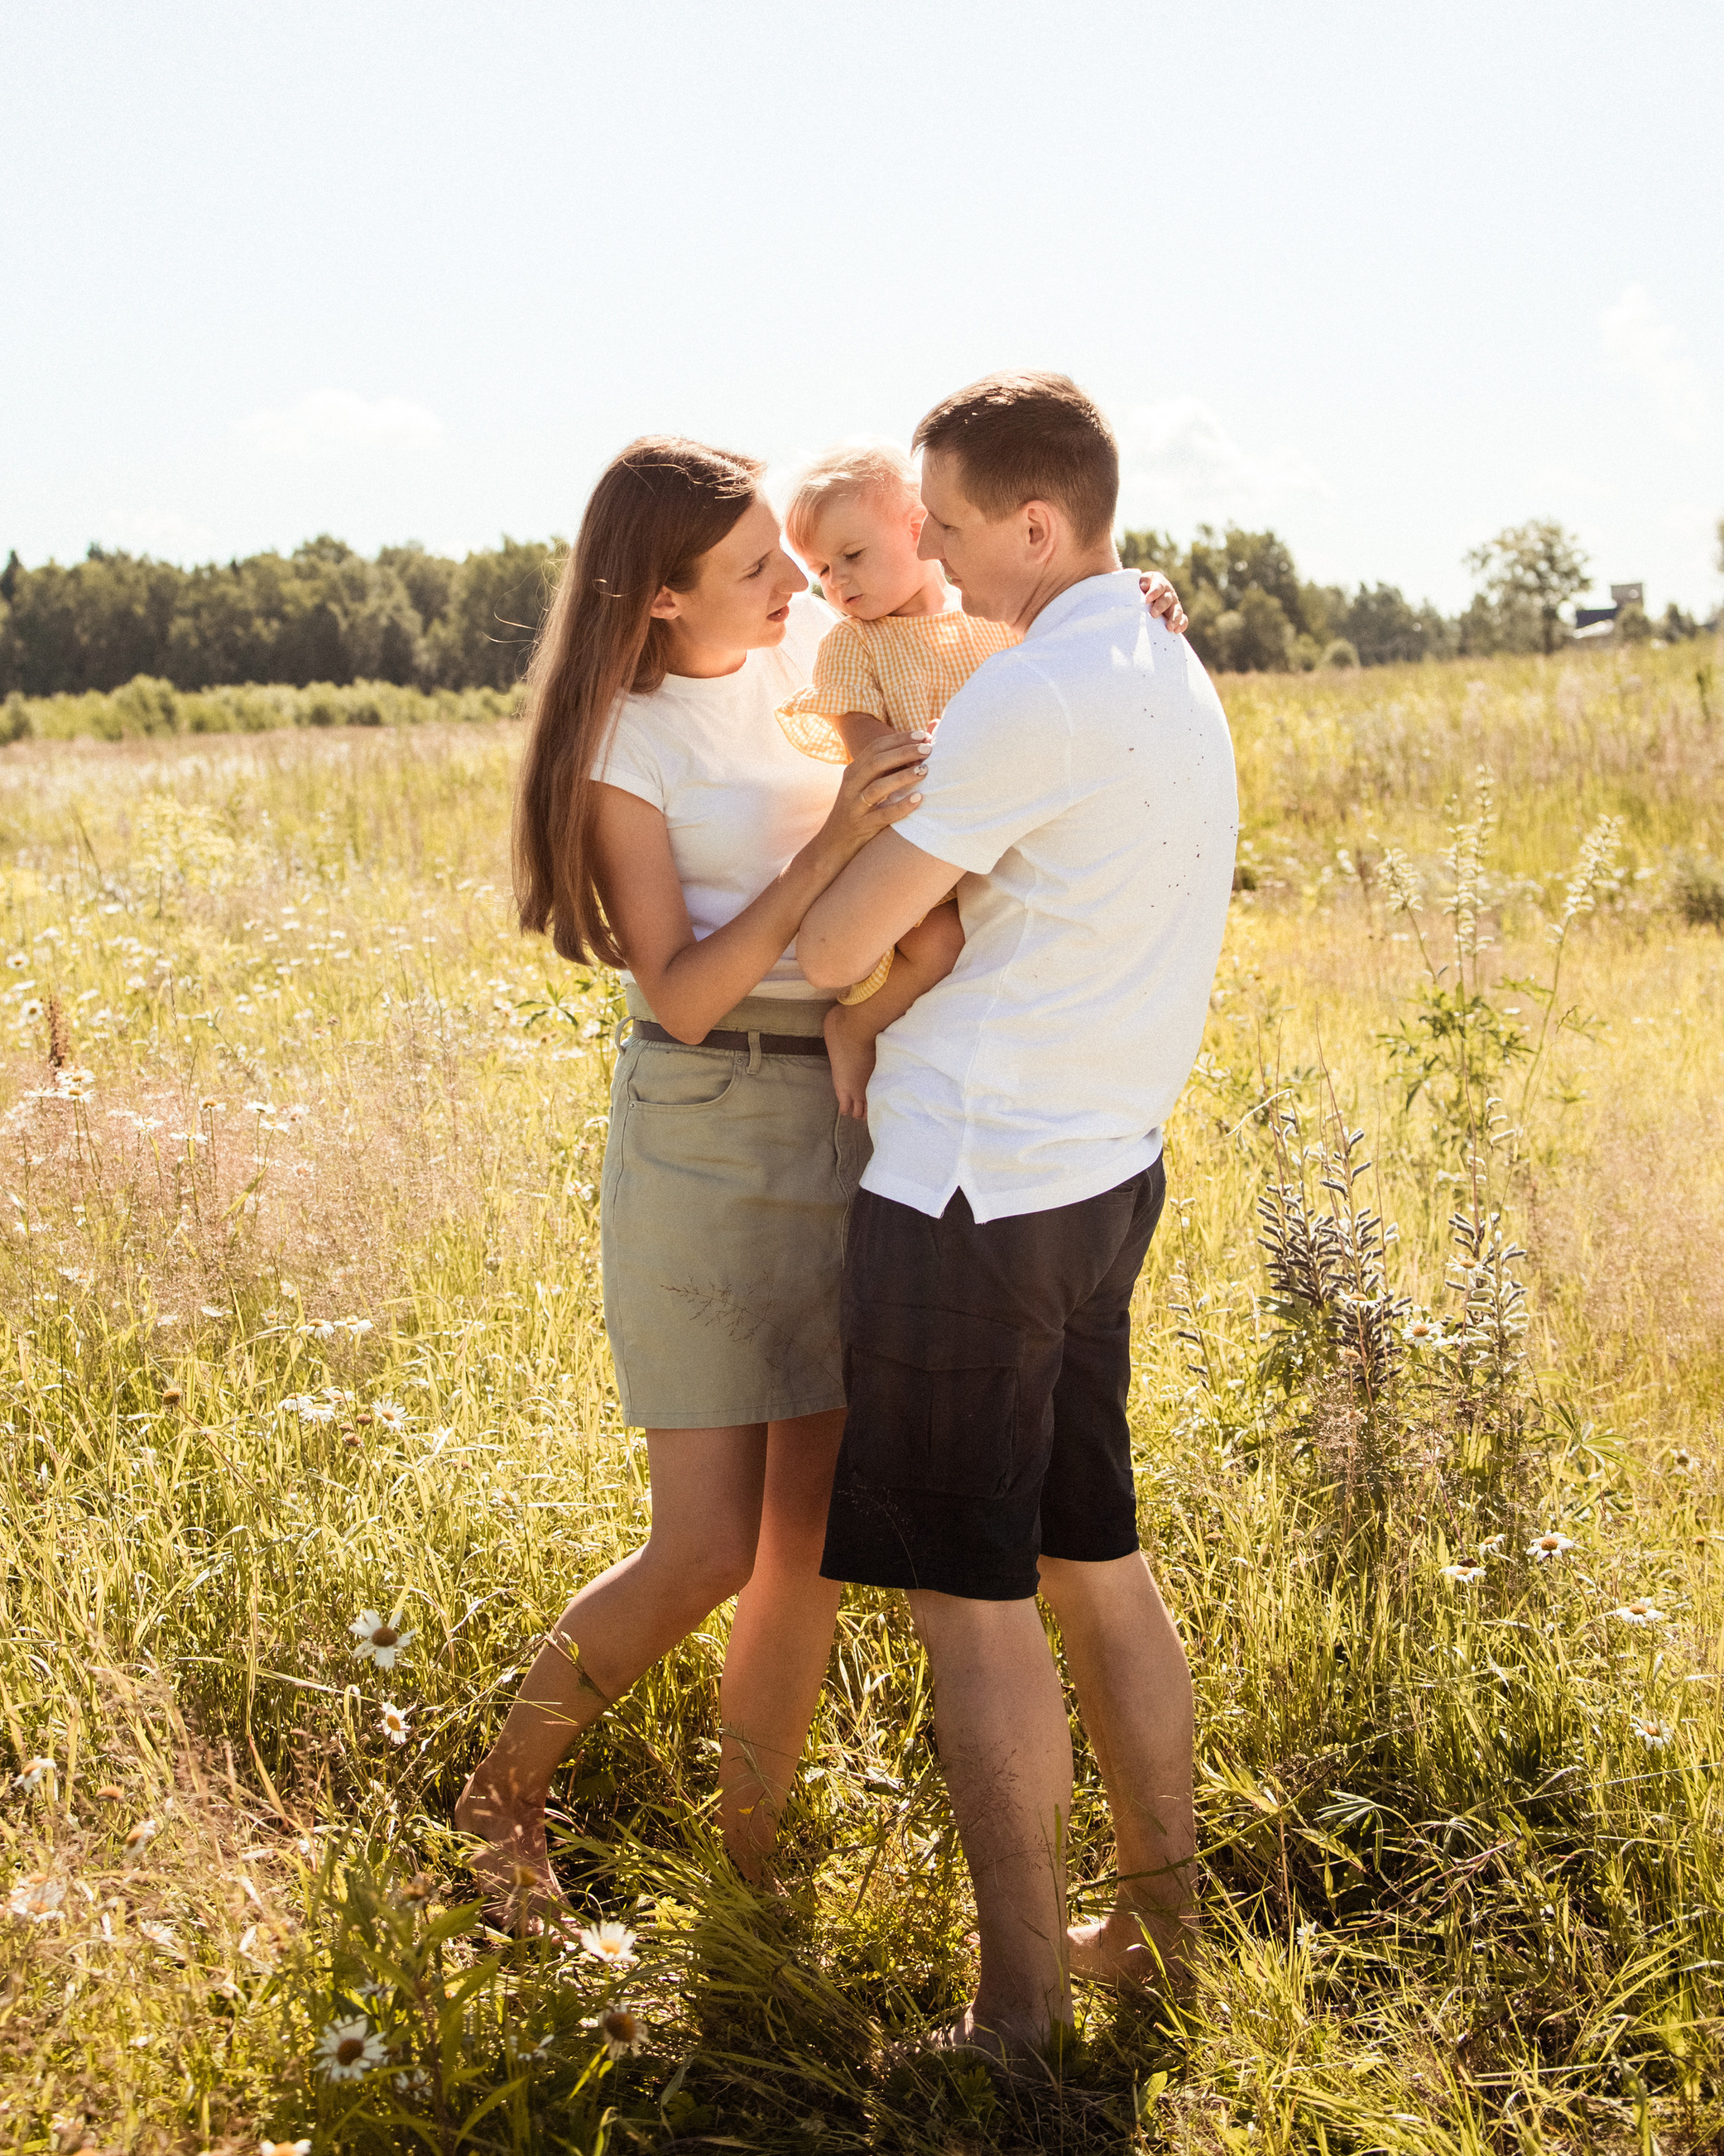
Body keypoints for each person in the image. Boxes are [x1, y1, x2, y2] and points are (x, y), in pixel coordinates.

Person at [797, 370, 1239, 2067]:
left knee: (966, 1599)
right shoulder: (1158, 657)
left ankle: (1018, 2012)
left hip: (967, 1190)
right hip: (1098, 1169)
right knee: (1093, 1560)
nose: (937, 561)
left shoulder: (1023, 698)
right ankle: (1159, 1933)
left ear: (1037, 526)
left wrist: (841, 860)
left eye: (957, 531)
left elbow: (845, 950)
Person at [454, 435, 931, 1909]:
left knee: (808, 1545)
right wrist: (829, 849)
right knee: (709, 1544)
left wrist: (1133, 604)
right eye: (750, 568)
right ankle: (497, 1800)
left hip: (851, 1113)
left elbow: (972, 636)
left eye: (788, 556)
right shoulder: (628, 743)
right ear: (660, 600)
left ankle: (752, 1871)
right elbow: (681, 992)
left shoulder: (817, 665)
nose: (792, 578)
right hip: (709, 1125)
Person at [776, 441, 1017, 1121]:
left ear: (918, 529)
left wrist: (1145, 588)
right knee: (942, 943)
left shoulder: (989, 619)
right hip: (901, 842)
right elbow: (876, 762)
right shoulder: (855, 644)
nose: (837, 583)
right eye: (821, 569)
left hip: (981, 832)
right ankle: (854, 1025)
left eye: (852, 556)